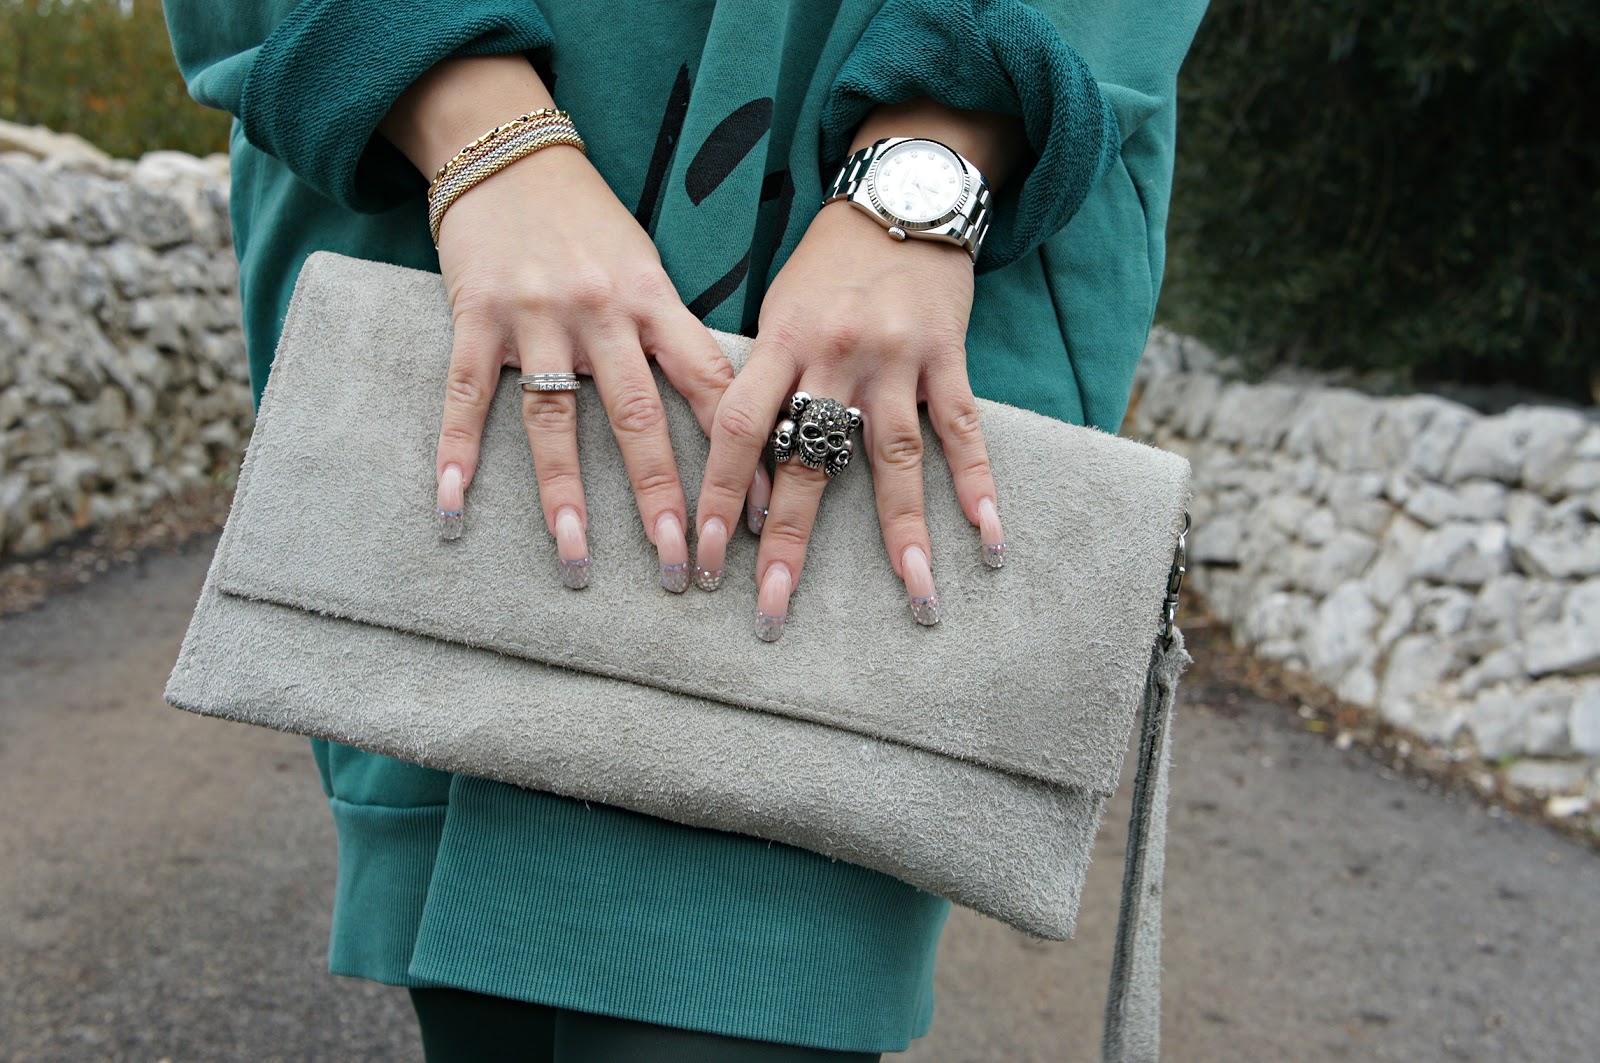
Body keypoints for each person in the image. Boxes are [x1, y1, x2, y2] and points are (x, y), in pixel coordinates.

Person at [162, 1, 1206, 1058]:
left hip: (916, 236)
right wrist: (479, 131)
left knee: (760, 944)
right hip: (446, 188)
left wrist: (928, 167)